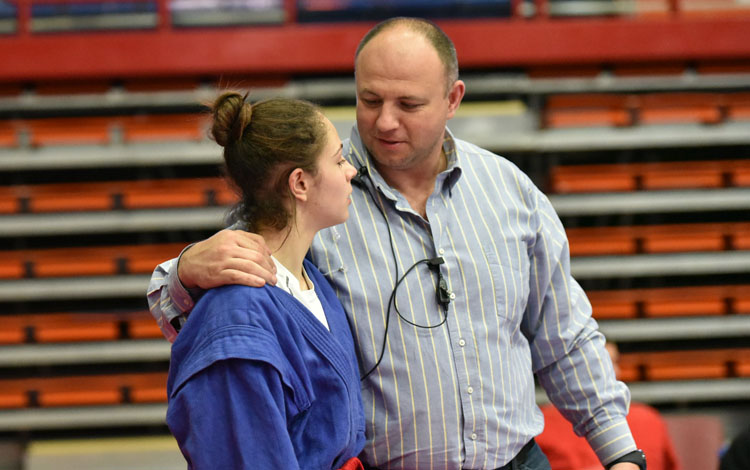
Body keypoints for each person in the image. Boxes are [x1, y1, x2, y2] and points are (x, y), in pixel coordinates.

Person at [149, 17, 644, 470]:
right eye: (370, 100)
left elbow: (565, 335)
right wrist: (186, 269)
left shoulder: (510, 191)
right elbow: (219, 301)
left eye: (409, 104)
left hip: (518, 459)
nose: (386, 121)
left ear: (453, 99)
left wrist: (619, 451)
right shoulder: (315, 192)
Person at [164, 92, 365, 469]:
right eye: (338, 159)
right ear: (300, 183)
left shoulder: (312, 281)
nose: (351, 170)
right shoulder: (236, 322)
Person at [536, 342, 679, 470]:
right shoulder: (540, 424)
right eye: (598, 364)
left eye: (612, 363)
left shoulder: (649, 419)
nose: (608, 372)